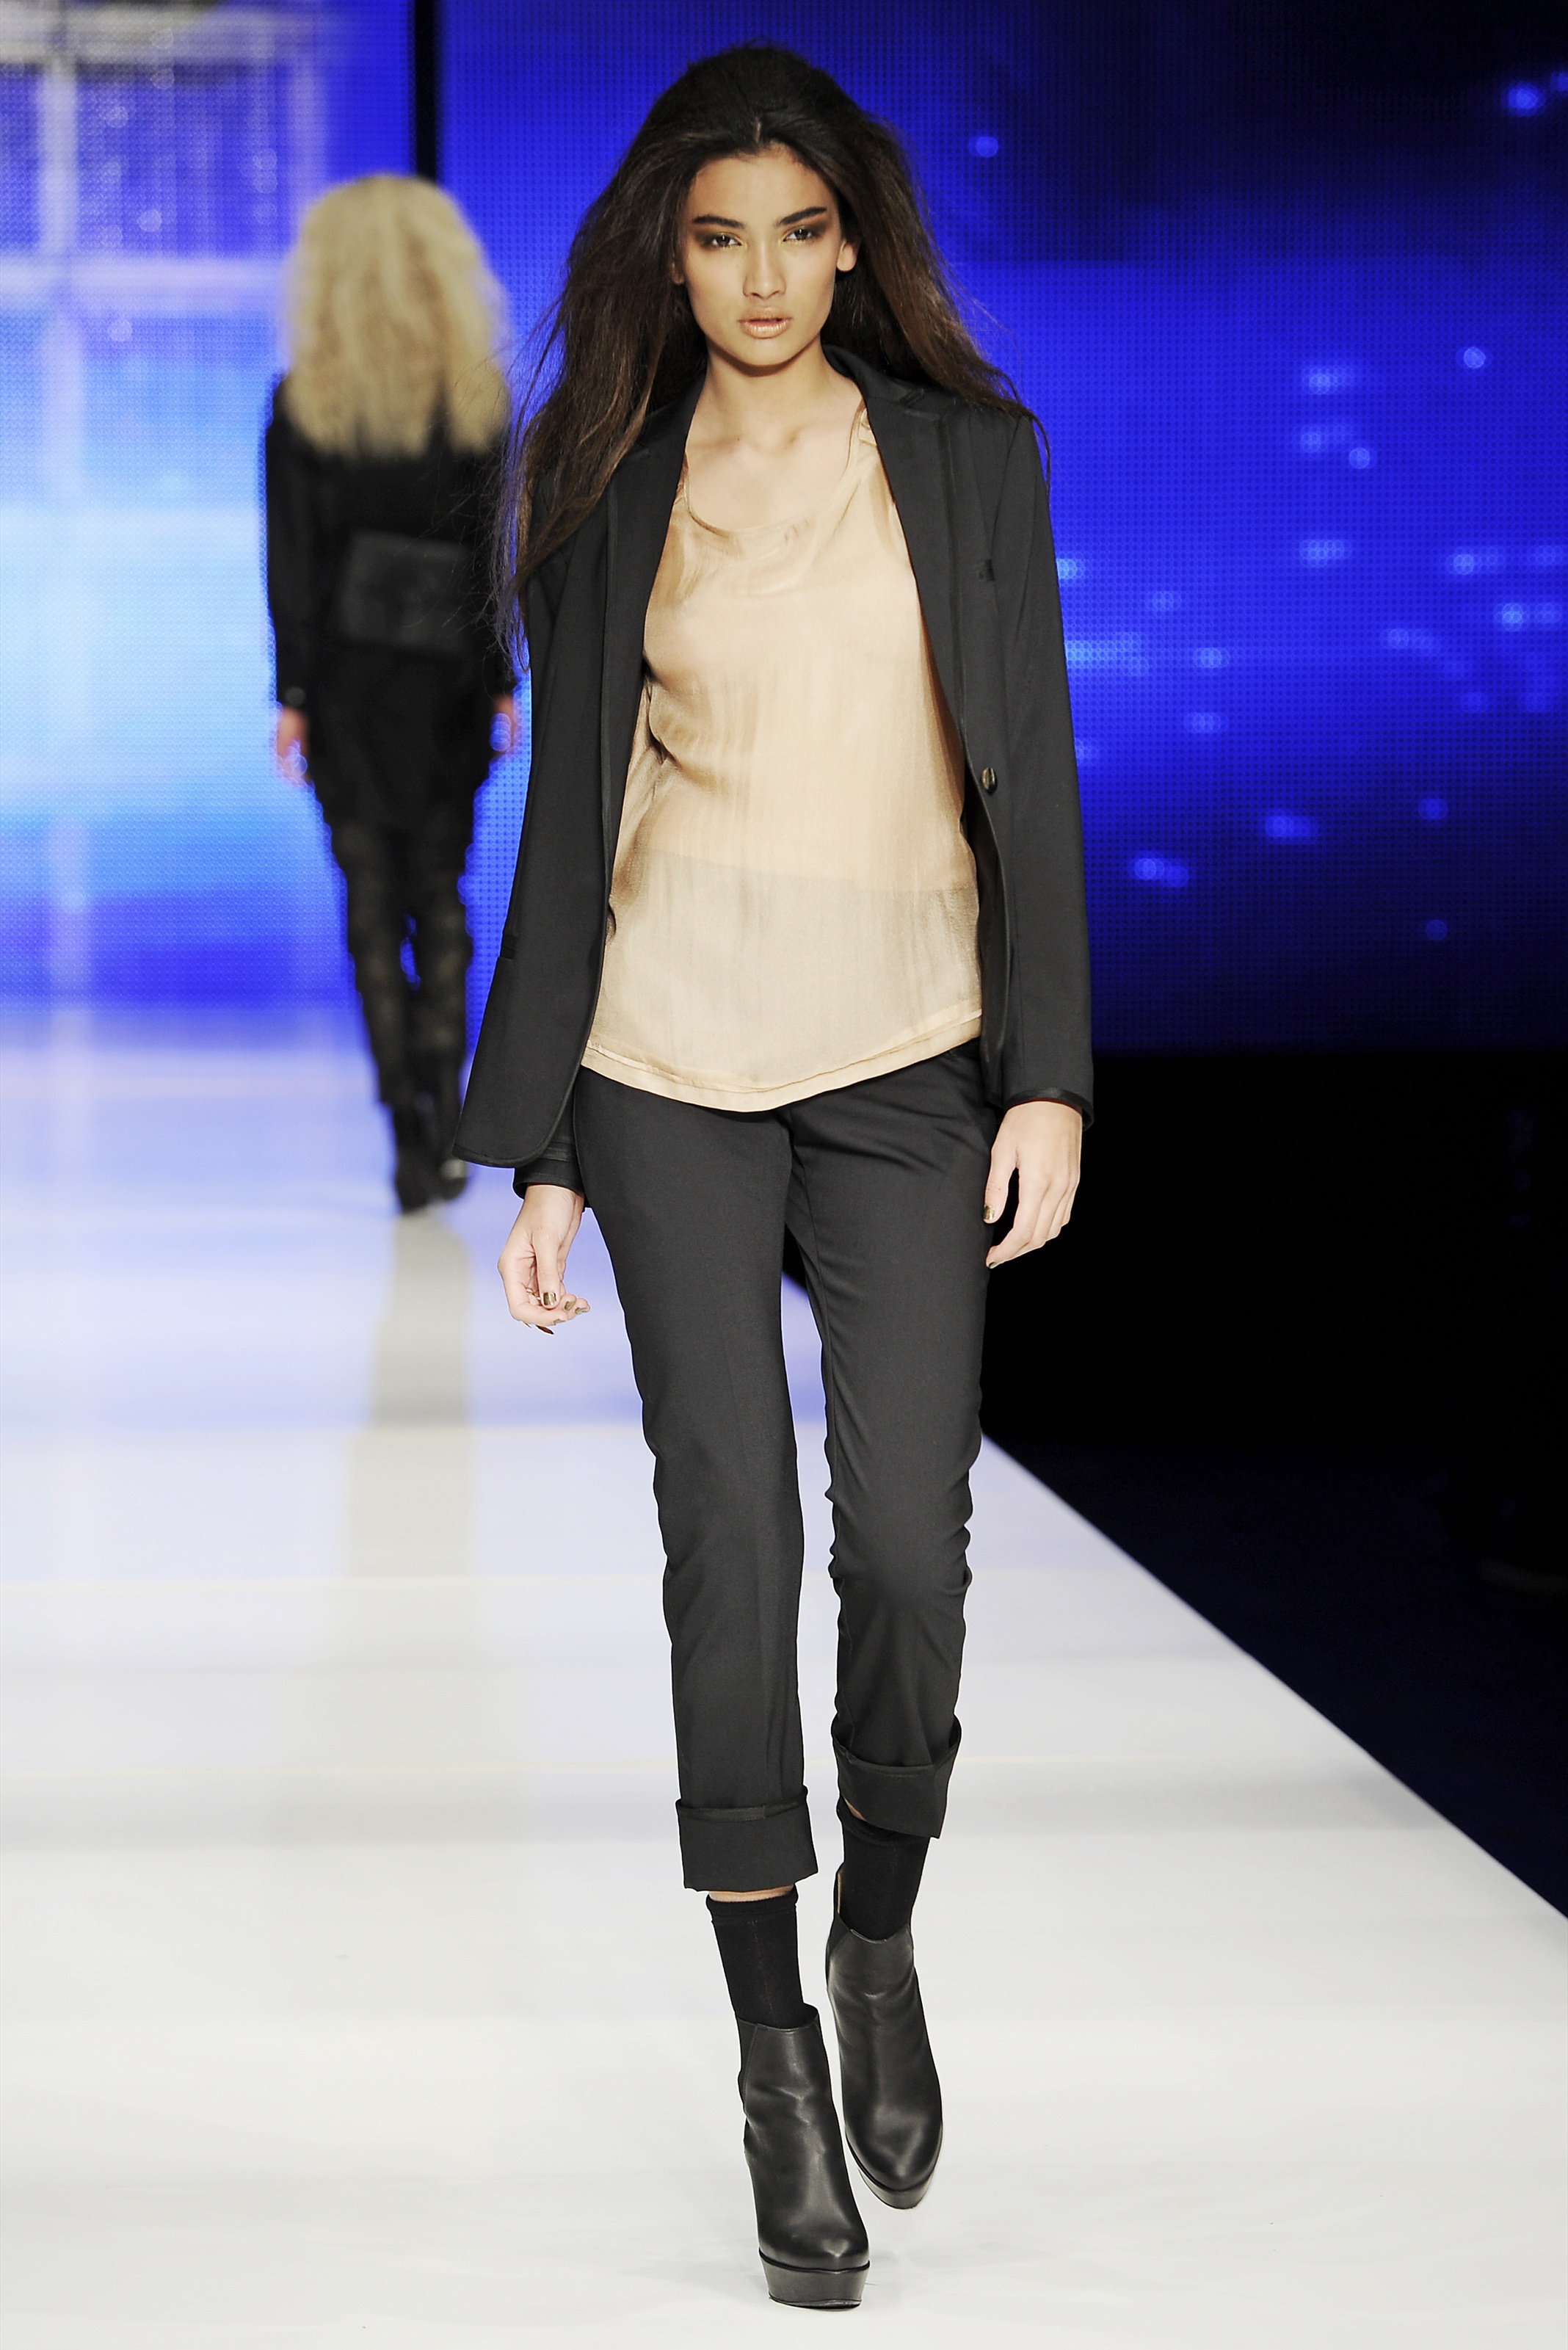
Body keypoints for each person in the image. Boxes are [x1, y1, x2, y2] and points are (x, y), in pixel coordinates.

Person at [459, 46, 1091, 2309]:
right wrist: (541, 1144)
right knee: (731, 1539)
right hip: (666, 1063)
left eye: (799, 235)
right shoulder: (600, 477)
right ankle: (773, 2061)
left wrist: (1050, 1075)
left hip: (912, 1054)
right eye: (719, 236)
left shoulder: (971, 460)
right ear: (671, 248)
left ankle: (880, 1924)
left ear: (854, 246)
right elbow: (569, 829)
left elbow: (1034, 772)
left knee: (909, 1548)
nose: (758, 278)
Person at [264, 174, 516, 1212]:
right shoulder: (476, 402)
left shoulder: (306, 405)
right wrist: (500, 676)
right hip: (447, 678)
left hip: (351, 686)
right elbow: (494, 554)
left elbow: (293, 564)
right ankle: (446, 1117)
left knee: (372, 905)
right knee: (439, 895)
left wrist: (293, 690)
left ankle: (410, 1131)